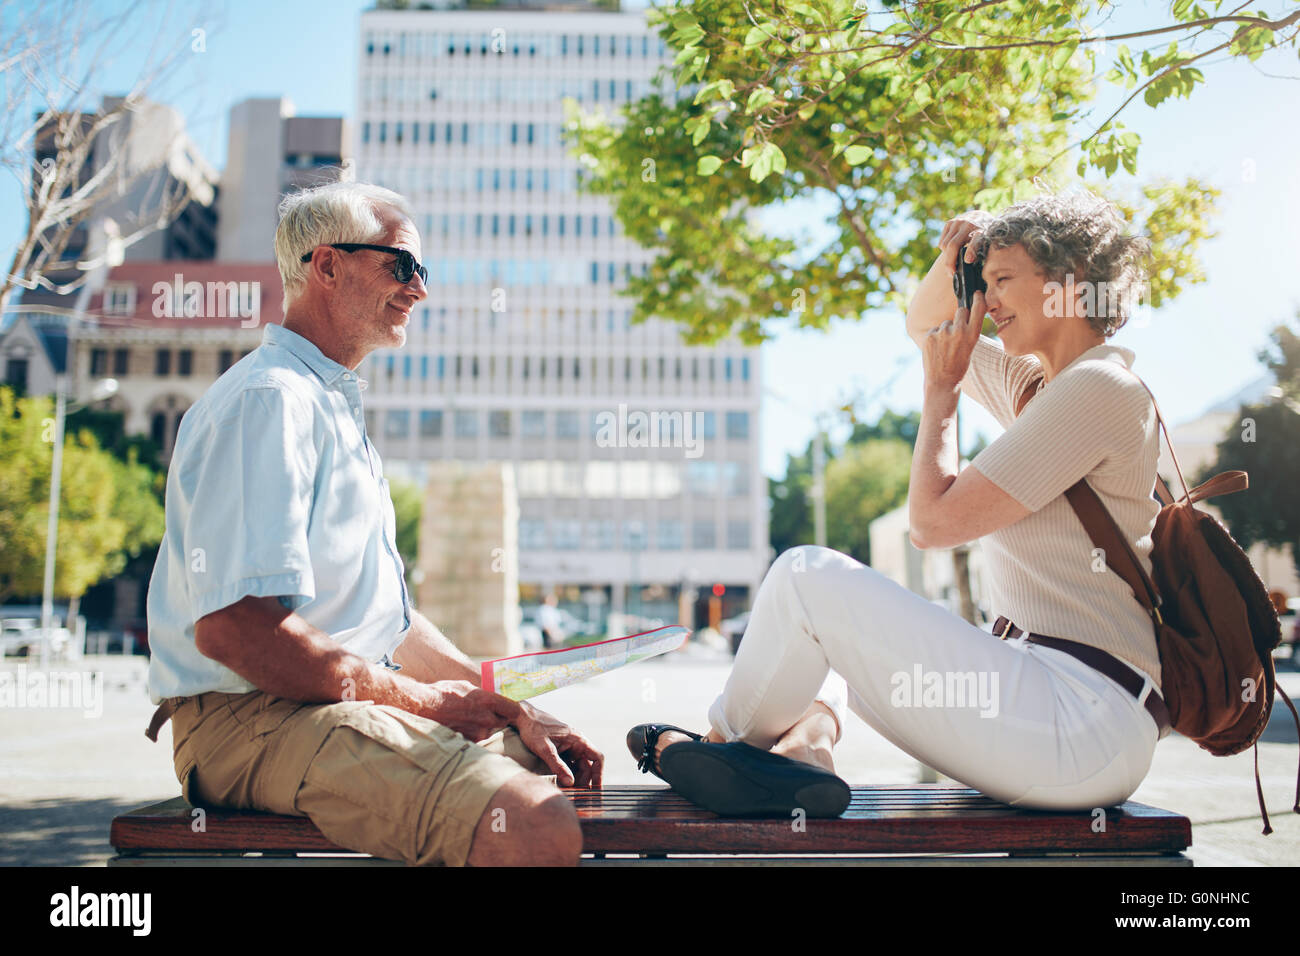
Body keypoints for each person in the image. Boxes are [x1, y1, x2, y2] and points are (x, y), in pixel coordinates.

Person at [629, 189, 1167, 819]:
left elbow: (932, 524)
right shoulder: (1040, 388)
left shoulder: (1099, 385)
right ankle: (808, 752)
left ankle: (717, 746)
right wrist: (955, 259)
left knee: (805, 577)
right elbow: (926, 326)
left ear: (1068, 285)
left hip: (1079, 721)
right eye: (983, 281)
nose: (986, 300)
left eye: (1003, 280)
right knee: (805, 642)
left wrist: (942, 392)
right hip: (1053, 715)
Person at [144, 181, 602, 866]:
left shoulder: (327, 406)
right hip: (250, 720)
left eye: (423, 271)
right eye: (402, 265)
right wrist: (426, 702)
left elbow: (388, 623)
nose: (419, 290)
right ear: (325, 266)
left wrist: (503, 703)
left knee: (549, 773)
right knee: (535, 825)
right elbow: (234, 627)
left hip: (316, 706)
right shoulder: (271, 401)